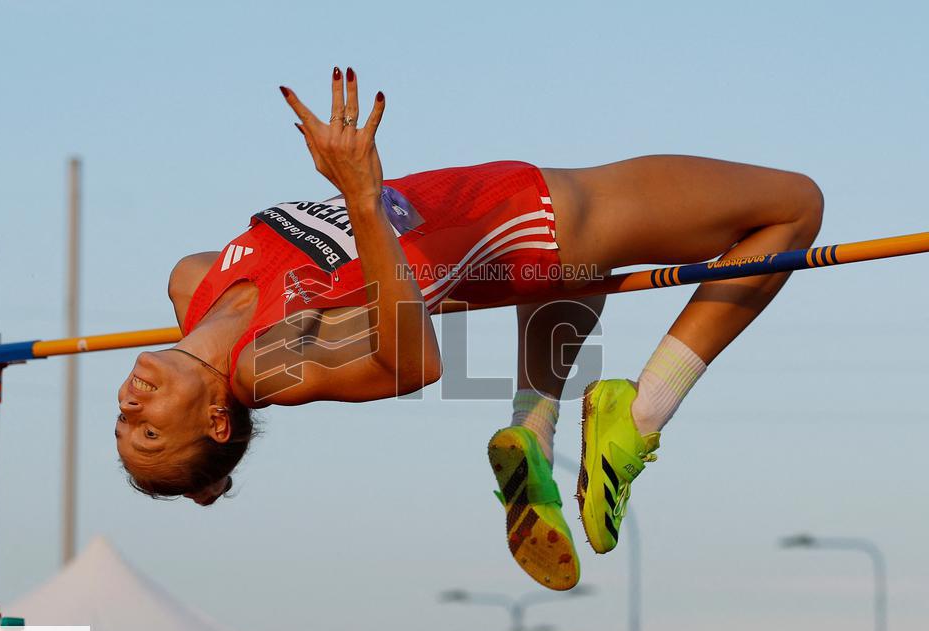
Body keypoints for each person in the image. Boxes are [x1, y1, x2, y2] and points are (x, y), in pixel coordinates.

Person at [115, 67, 823, 590]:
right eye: (149, 430)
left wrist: (202, 478)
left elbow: (370, 293)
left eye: (124, 427)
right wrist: (361, 192)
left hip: (501, 253)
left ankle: (535, 435)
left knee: (573, 278)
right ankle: (640, 415)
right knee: (791, 209)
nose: (129, 408)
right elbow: (414, 364)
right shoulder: (268, 368)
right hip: (532, 214)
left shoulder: (194, 283)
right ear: (214, 421)